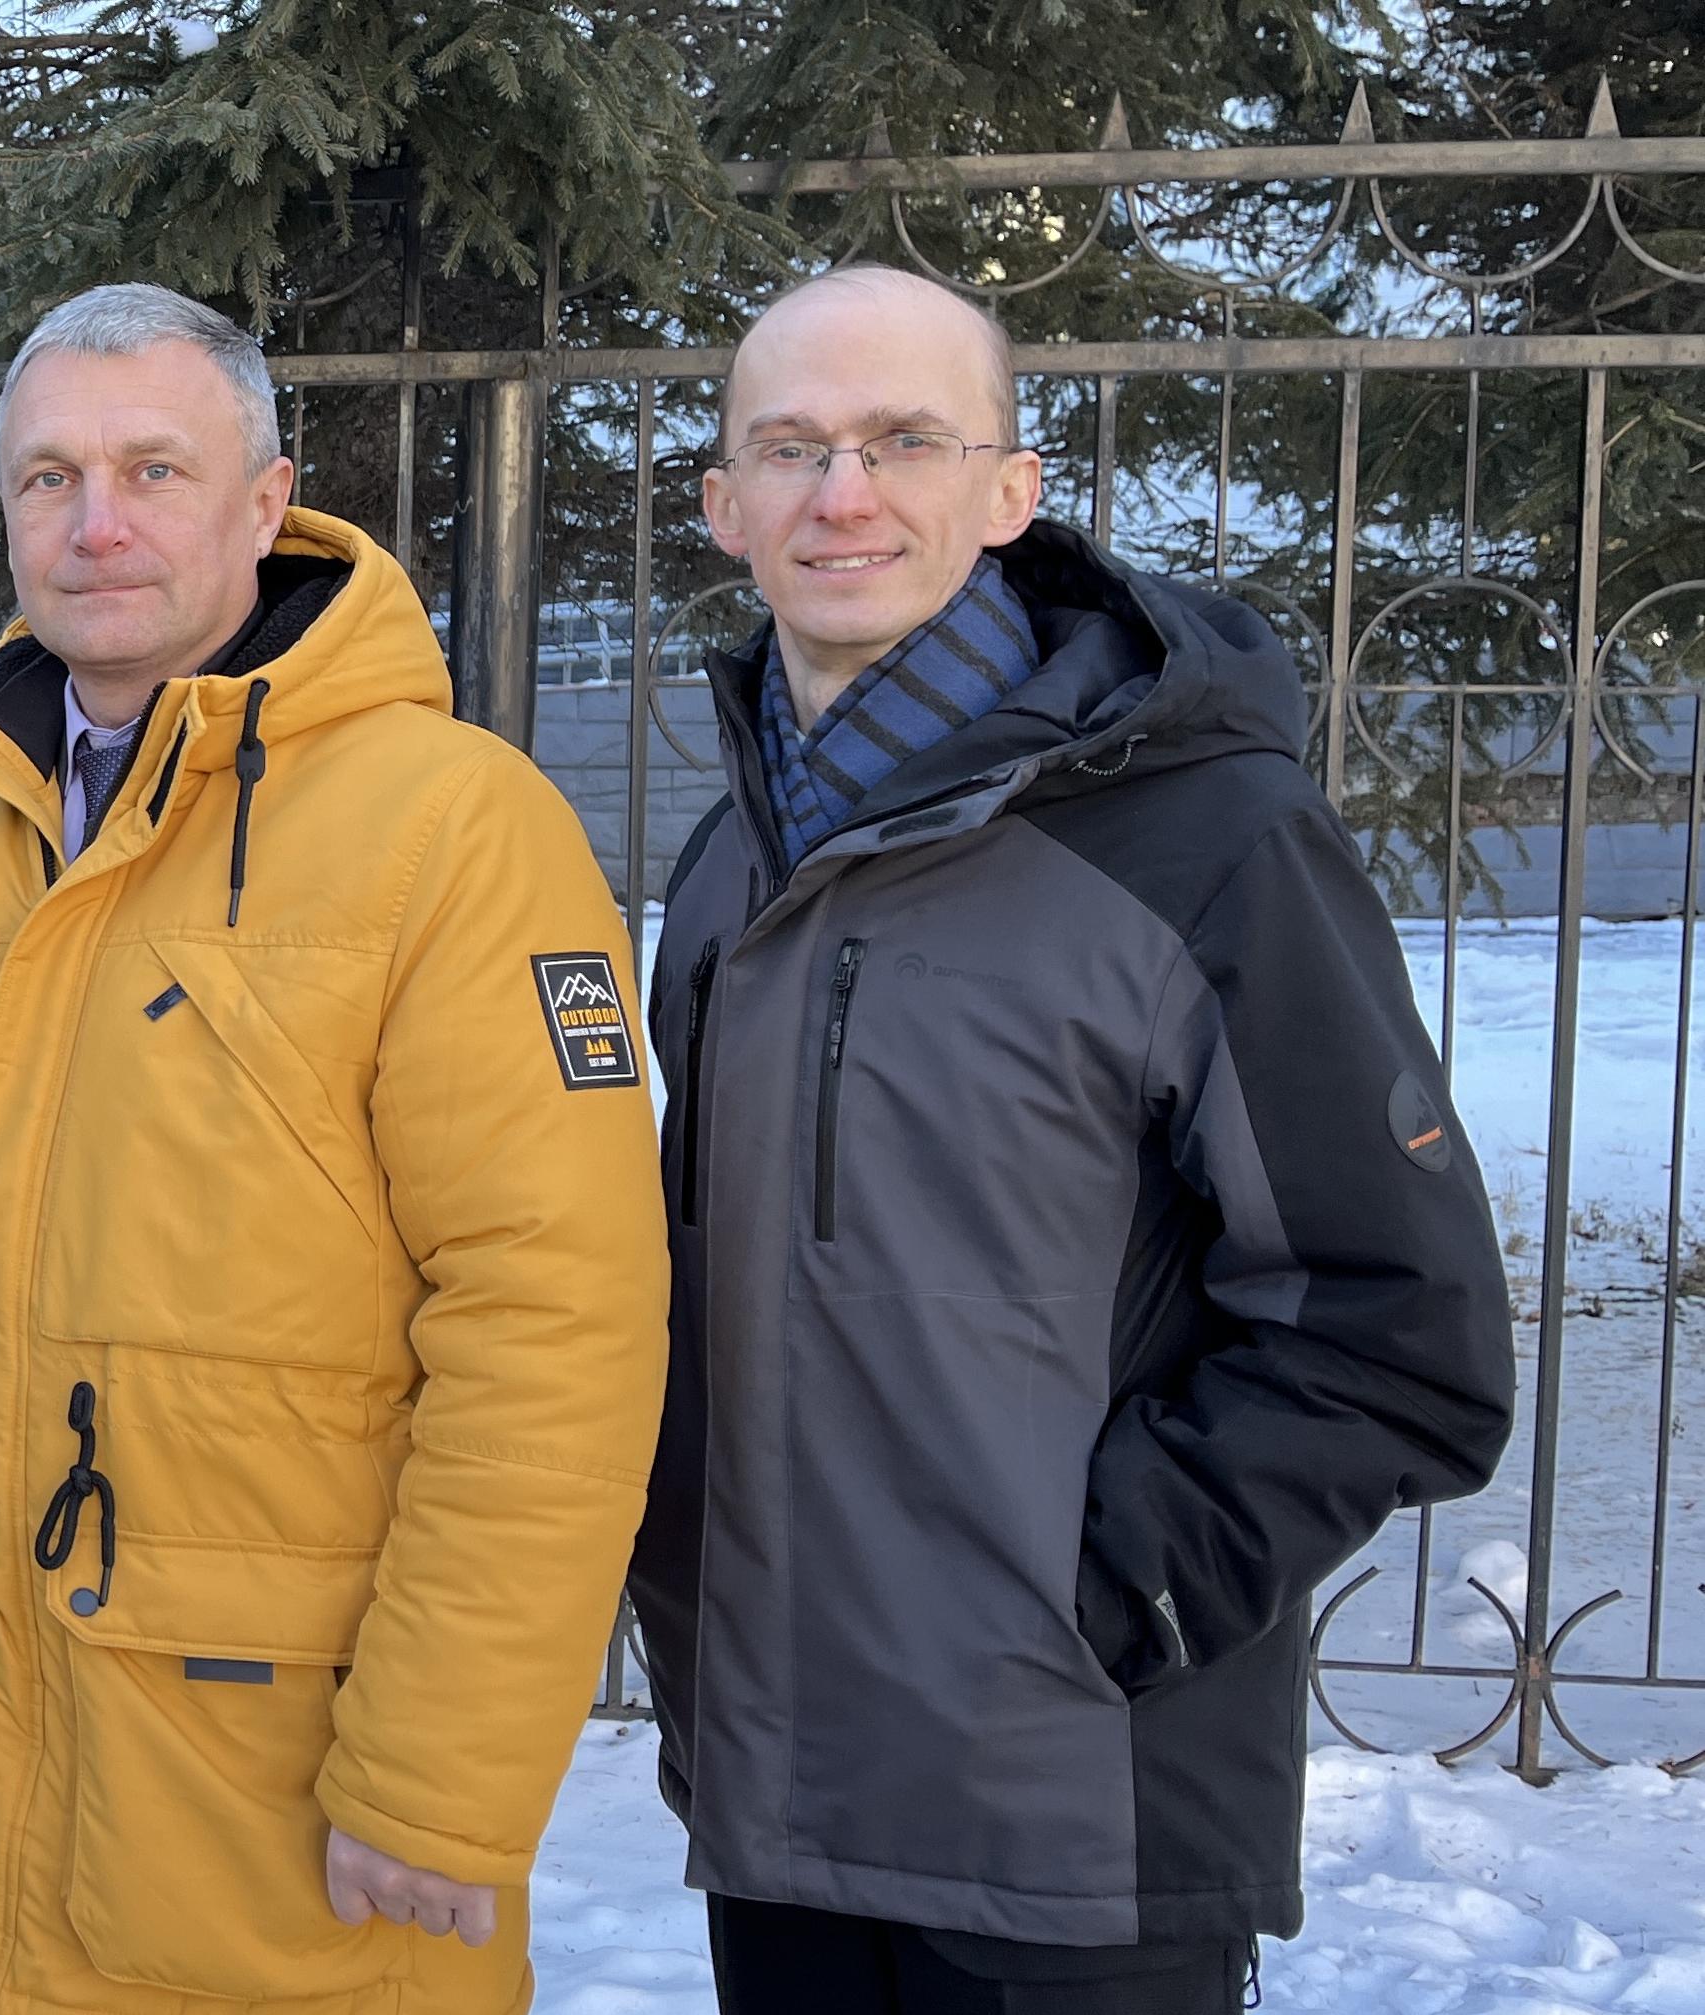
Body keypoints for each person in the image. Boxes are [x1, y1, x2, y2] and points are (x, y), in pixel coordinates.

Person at [635, 262, 1515, 2014]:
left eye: (904, 439)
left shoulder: (1204, 841)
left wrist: (1098, 1600)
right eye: (789, 448)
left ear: (1009, 492)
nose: (842, 494)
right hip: (776, 1808)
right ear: (724, 508)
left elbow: (1395, 1333)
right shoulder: (732, 864)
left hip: (1072, 1831)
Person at [0, 283, 670, 2015]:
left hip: (293, 1817)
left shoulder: (451, 827)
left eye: (154, 468)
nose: (96, 523)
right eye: (48, 478)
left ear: (266, 498)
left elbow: (553, 1324)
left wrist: (439, 1772)